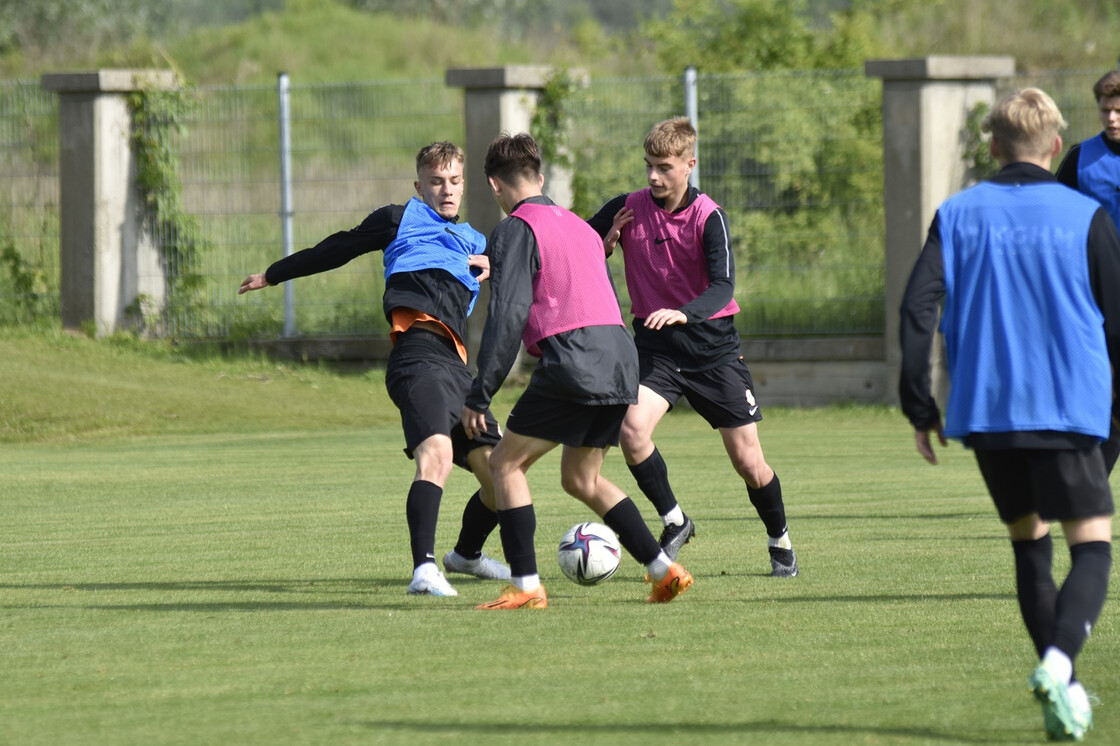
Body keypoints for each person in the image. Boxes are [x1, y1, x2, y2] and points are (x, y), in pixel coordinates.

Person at [899, 88, 1118, 742]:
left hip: (987, 415)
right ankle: (1058, 661)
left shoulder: (957, 214)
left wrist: (919, 401)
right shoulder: (1085, 215)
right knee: (1093, 549)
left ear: (992, 146)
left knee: (1030, 546)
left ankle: (1065, 697)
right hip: (1068, 409)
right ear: (1055, 147)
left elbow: (917, 311)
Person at [239, 141, 509, 598]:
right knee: (437, 455)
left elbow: (539, 270)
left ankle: (466, 555)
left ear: (466, 184)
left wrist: (495, 265)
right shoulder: (399, 218)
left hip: (459, 370)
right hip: (417, 355)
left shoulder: (478, 241)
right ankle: (424, 569)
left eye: (455, 181)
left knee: (504, 473)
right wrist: (274, 273)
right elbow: (338, 248)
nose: (447, 190)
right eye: (437, 181)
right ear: (419, 185)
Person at [461, 132, 694, 610]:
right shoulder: (581, 227)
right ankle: (663, 570)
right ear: (541, 179)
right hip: (619, 358)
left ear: (494, 186)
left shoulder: (514, 229)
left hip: (574, 356)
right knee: (581, 479)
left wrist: (480, 394)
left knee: (505, 464)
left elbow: (508, 314)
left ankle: (526, 586)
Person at [586, 116, 797, 577]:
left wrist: (686, 311)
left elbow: (723, 286)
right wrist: (604, 243)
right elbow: (574, 245)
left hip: (713, 352)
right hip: (658, 352)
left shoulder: (709, 217)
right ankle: (675, 520)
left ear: (689, 165)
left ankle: (780, 542)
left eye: (663, 167)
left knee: (748, 462)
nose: (653, 177)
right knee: (632, 431)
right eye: (648, 166)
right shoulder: (628, 207)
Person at [1056, 68, 1120, 471]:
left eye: (1119, 110)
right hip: (1098, 301)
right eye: (1106, 110)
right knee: (1106, 398)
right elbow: (1053, 218)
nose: (1111, 118)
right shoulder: (1081, 159)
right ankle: (1090, 490)